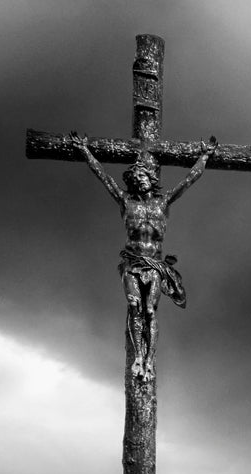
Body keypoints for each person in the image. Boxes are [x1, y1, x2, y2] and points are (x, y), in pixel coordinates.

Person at [67, 133, 217, 378]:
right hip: (132, 264)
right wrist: (85, 152)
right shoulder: (127, 203)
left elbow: (189, 179)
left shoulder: (162, 203)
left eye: (143, 176)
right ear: (132, 183)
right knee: (134, 306)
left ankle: (149, 359)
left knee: (149, 310)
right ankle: (138, 355)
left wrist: (205, 156)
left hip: (154, 266)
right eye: (136, 178)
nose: (140, 180)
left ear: (151, 179)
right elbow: (104, 178)